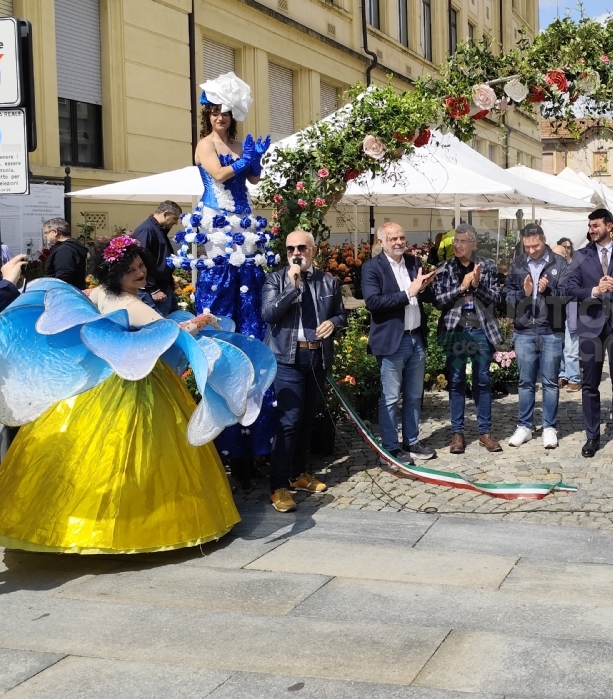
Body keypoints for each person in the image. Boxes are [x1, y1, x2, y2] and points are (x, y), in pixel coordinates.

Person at [0, 235, 272, 553]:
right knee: (136, 457)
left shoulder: (96, 293)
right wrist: (202, 321)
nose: (141, 273)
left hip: (90, 385)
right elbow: (167, 335)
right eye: (132, 270)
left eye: (141, 265)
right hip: (135, 387)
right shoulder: (131, 304)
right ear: (116, 274)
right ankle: (136, 526)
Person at [171, 74, 277, 469]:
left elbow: (253, 179)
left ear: (233, 116)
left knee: (252, 316)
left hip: (244, 229)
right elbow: (217, 175)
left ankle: (257, 433)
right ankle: (223, 435)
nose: (220, 118)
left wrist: (256, 160)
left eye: (225, 113)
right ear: (208, 116)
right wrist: (245, 161)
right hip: (217, 231)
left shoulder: (236, 143)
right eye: (214, 112)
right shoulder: (206, 144)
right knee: (219, 313)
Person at [261, 231, 347, 512]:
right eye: (290, 249)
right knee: (289, 422)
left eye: (301, 248)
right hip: (287, 357)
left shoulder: (329, 281)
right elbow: (270, 314)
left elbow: (341, 314)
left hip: (317, 355)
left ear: (313, 250)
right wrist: (291, 286)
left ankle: (298, 474)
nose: (296, 253)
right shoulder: (276, 279)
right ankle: (278, 487)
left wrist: (334, 323)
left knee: (307, 418)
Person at [564, 207, 613, 458]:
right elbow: (569, 288)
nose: (591, 230)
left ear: (609, 226)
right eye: (590, 226)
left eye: (596, 225)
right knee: (590, 384)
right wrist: (593, 292)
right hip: (591, 326)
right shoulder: (581, 255)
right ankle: (592, 436)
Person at [362, 222, 437, 464]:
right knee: (391, 397)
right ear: (381, 242)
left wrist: (425, 287)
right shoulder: (372, 268)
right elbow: (373, 302)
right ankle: (390, 448)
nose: (399, 242)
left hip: (416, 337)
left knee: (415, 395)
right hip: (392, 341)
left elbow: (423, 295)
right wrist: (409, 292)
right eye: (393, 238)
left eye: (402, 237)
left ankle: (411, 441)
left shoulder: (414, 263)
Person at [432, 224, 504, 453]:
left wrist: (476, 285)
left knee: (482, 380)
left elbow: (495, 298)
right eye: (456, 241)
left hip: (480, 331)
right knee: (456, 381)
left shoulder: (488, 266)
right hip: (456, 331)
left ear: (474, 244)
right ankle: (457, 434)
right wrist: (462, 288)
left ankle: (485, 432)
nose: (458, 245)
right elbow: (439, 301)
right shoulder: (444, 268)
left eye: (463, 241)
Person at [504, 224, 570, 449]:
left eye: (536, 245)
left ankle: (549, 427)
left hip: (551, 330)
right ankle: (524, 426)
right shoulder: (518, 264)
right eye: (528, 246)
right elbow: (507, 297)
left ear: (544, 239)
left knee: (550, 382)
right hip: (524, 330)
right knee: (525, 382)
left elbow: (568, 295)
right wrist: (524, 293)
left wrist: (548, 290)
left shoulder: (559, 263)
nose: (531, 250)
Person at [132, 201, 182, 315]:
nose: (176, 222)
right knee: (160, 327)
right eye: (175, 218)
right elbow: (140, 260)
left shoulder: (159, 230)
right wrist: (152, 288)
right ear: (165, 214)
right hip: (152, 291)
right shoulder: (147, 230)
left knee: (175, 322)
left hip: (163, 287)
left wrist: (169, 280)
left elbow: (160, 258)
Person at [553, 238, 581, 393]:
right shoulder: (550, 270)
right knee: (559, 346)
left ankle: (574, 378)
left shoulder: (575, 269)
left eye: (568, 248)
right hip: (556, 314)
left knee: (571, 347)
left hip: (571, 312)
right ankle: (563, 374)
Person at [42, 217, 88, 289]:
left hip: (64, 295)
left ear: (55, 232)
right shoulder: (70, 247)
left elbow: (63, 278)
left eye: (46, 233)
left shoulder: (64, 250)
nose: (45, 235)